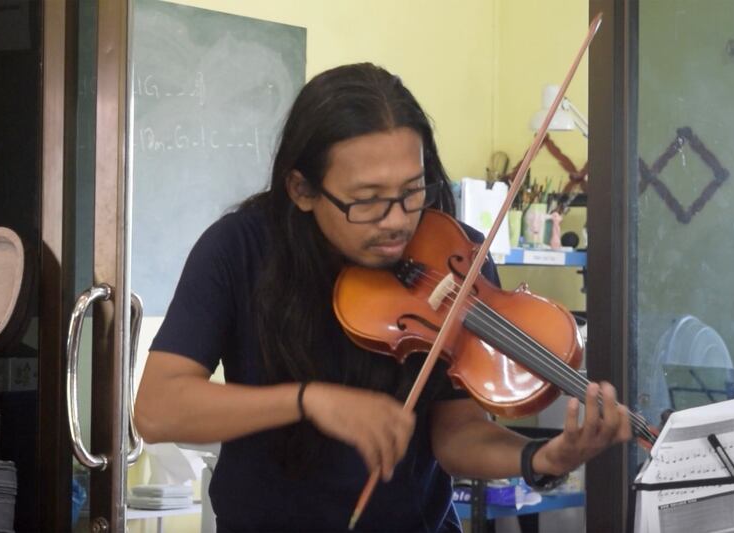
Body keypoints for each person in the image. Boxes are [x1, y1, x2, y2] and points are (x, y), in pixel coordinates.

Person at [134, 63, 631, 532]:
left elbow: (455, 431)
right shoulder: (238, 248)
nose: (397, 220)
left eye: (412, 191)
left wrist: (538, 459)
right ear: (302, 190)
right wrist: (308, 401)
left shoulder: (455, 256)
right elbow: (157, 409)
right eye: (368, 200)